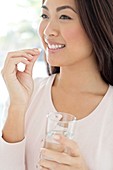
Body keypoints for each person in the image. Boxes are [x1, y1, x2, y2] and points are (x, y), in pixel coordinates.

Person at [0, 0, 113, 169]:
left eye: (64, 16)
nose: (47, 30)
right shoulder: (26, 95)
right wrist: (17, 106)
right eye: (45, 16)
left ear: (97, 25)